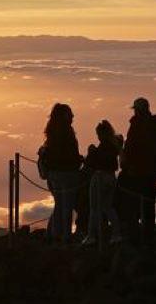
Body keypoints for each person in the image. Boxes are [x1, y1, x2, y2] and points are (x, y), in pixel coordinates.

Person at [118, 97, 156, 244]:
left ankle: (138, 235)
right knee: (149, 203)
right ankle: (149, 233)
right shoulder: (155, 124)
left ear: (137, 110)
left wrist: (127, 165)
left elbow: (131, 147)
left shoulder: (136, 125)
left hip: (137, 172)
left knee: (136, 203)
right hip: (152, 170)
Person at [40, 103, 83, 241]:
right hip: (67, 174)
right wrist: (79, 160)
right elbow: (70, 154)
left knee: (59, 205)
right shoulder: (67, 132)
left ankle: (52, 234)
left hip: (53, 174)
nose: (72, 116)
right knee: (67, 206)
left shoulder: (52, 131)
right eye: (70, 114)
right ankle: (65, 235)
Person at [81, 120, 122, 246]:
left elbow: (93, 163)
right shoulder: (114, 145)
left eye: (98, 134)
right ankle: (116, 234)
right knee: (108, 207)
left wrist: (91, 152)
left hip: (100, 177)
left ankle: (91, 236)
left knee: (94, 208)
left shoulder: (102, 147)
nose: (98, 136)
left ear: (101, 134)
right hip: (111, 177)